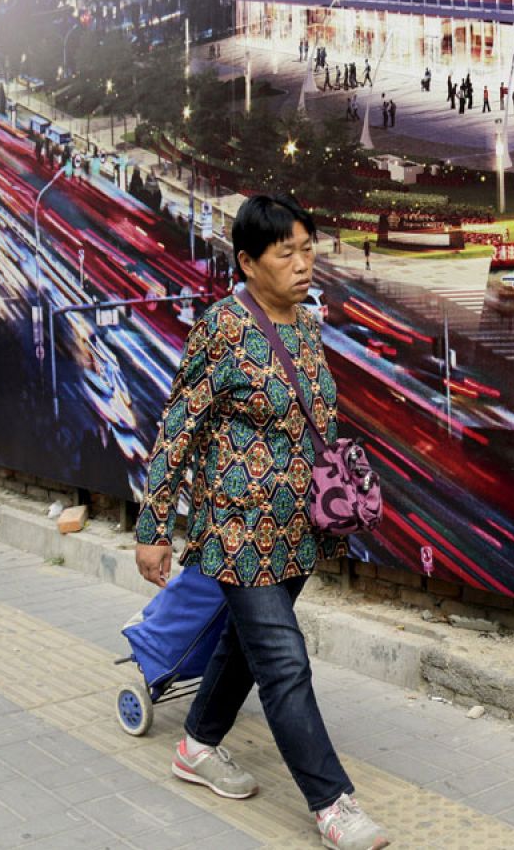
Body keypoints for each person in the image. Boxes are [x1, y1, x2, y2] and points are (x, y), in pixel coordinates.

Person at [134, 195, 391, 850]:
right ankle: (332, 804)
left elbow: (316, 420)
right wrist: (154, 527)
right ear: (249, 262)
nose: (304, 264)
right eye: (287, 253)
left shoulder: (307, 325)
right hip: (236, 529)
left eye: (309, 249)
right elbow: (178, 426)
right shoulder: (222, 327)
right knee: (283, 659)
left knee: (246, 647)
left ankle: (195, 746)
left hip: (295, 526)